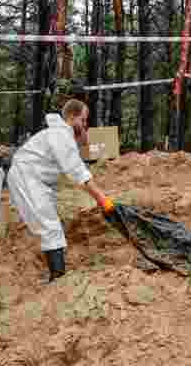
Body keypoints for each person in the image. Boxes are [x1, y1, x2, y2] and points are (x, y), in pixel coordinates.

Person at [6, 99, 115, 282]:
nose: (85, 125)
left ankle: (56, 274)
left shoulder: (60, 135)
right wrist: (102, 199)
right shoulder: (60, 137)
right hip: (28, 178)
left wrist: (82, 138)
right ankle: (57, 277)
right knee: (50, 225)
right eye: (83, 120)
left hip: (33, 179)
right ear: (72, 117)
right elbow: (77, 172)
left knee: (49, 224)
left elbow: (73, 157)